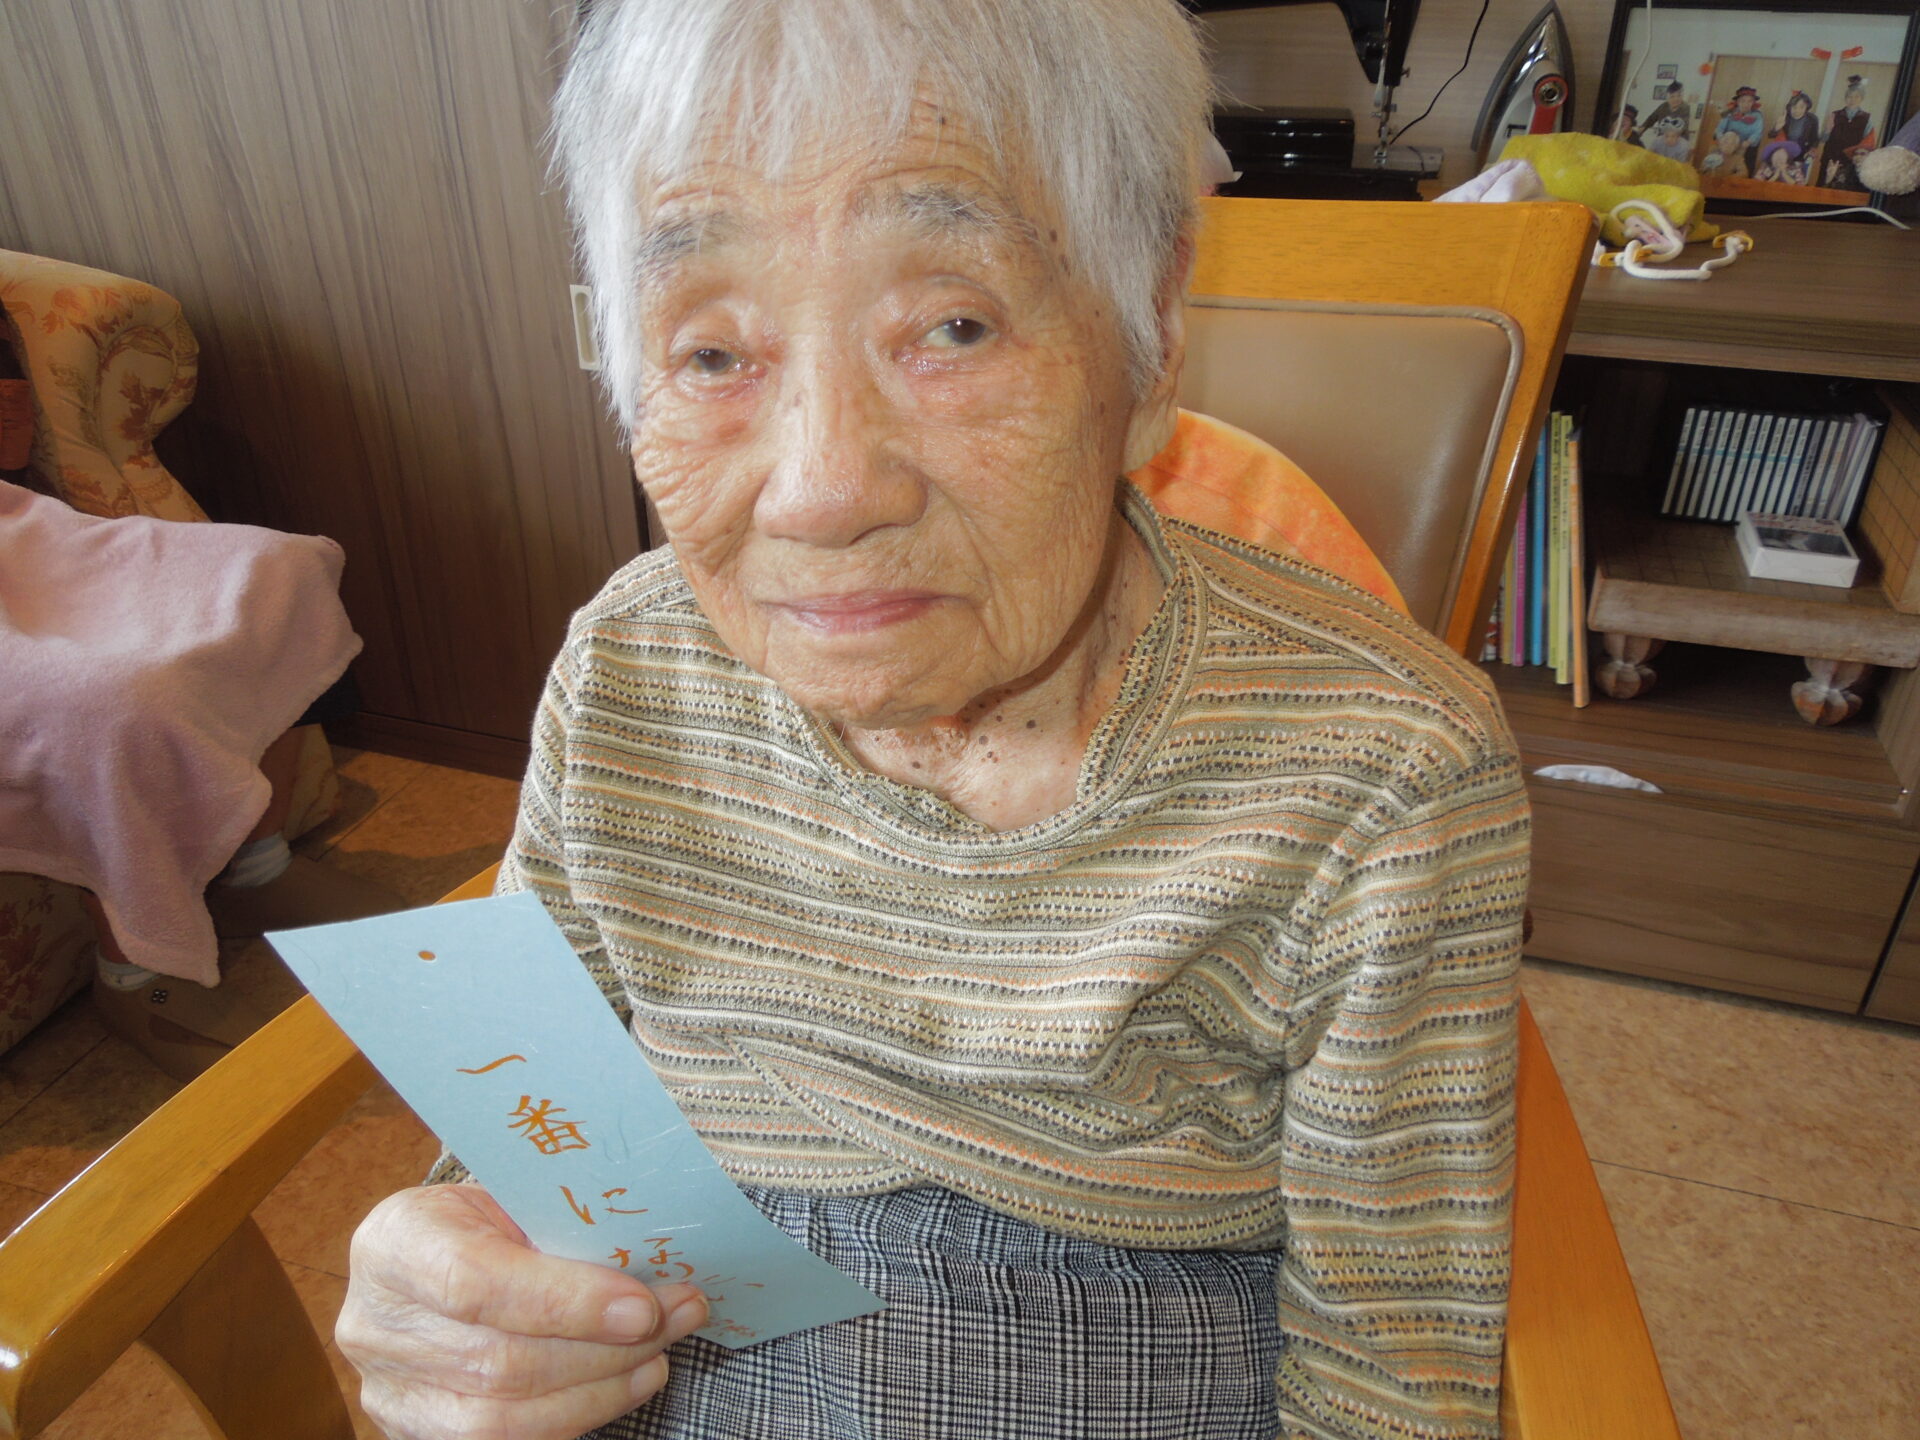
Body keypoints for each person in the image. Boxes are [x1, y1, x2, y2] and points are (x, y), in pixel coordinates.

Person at [336, 3, 1530, 1439]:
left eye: (951, 327)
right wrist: (459, 1293)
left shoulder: (1384, 771)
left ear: (1152, 332)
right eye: (710, 353)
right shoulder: (629, 670)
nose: (822, 493)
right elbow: (521, 1127)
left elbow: (1390, 1374)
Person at [1820, 76, 1874, 190]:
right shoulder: (1835, 114)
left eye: (1856, 96)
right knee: (1824, 186)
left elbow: (1866, 145)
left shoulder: (1866, 118)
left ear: (1861, 98)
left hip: (1850, 161)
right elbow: (1823, 139)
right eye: (1849, 96)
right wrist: (1827, 131)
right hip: (1830, 158)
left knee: (1844, 188)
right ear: (1845, 98)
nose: (1852, 100)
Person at [1716, 85, 1766, 175]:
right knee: (1721, 166)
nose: (1746, 104)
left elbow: (1757, 133)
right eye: (1743, 101)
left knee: (1745, 170)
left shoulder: (1758, 116)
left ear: (1753, 103)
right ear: (1738, 102)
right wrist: (1722, 139)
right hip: (1729, 144)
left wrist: (1749, 141)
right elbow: (1720, 129)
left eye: (1749, 101)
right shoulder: (1729, 112)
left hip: (1746, 146)